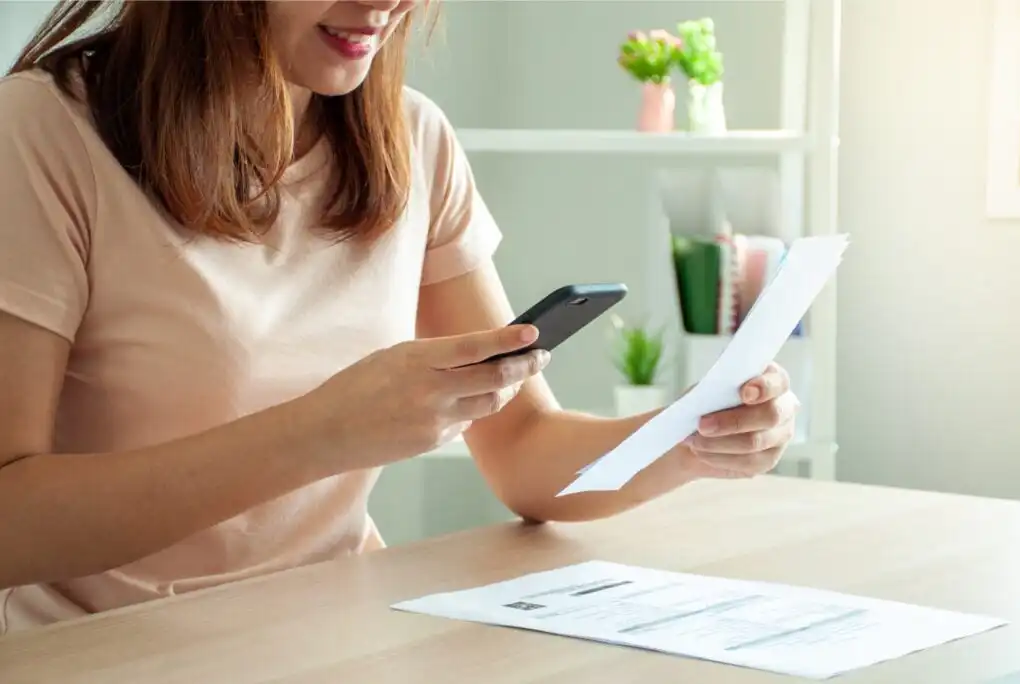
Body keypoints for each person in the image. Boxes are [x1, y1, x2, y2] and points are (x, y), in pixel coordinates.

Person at [0, 0, 799, 635]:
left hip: (347, 635)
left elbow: (524, 452)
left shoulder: (410, 139)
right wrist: (321, 431)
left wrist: (690, 436)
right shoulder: (42, 133)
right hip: (106, 651)